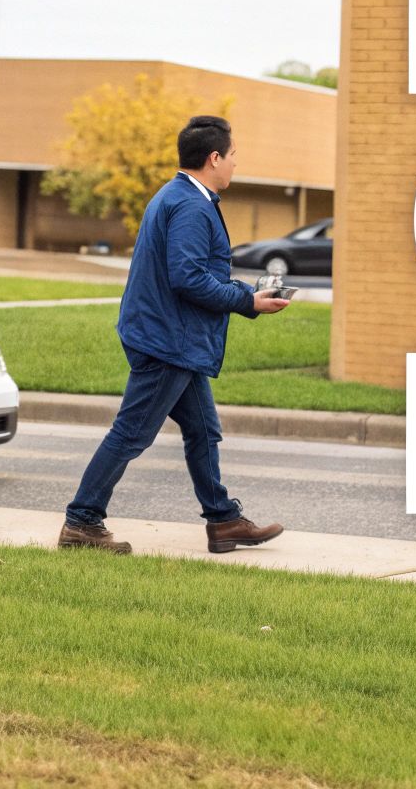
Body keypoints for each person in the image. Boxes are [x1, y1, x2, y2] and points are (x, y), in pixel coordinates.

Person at [60, 115, 290, 555]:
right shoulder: (190, 206)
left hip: (171, 337)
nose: (236, 163)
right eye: (233, 155)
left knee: (203, 430)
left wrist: (247, 294)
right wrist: (248, 302)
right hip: (168, 342)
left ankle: (223, 521)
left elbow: (195, 273)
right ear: (214, 158)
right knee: (131, 433)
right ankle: (81, 521)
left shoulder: (179, 195)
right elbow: (188, 278)